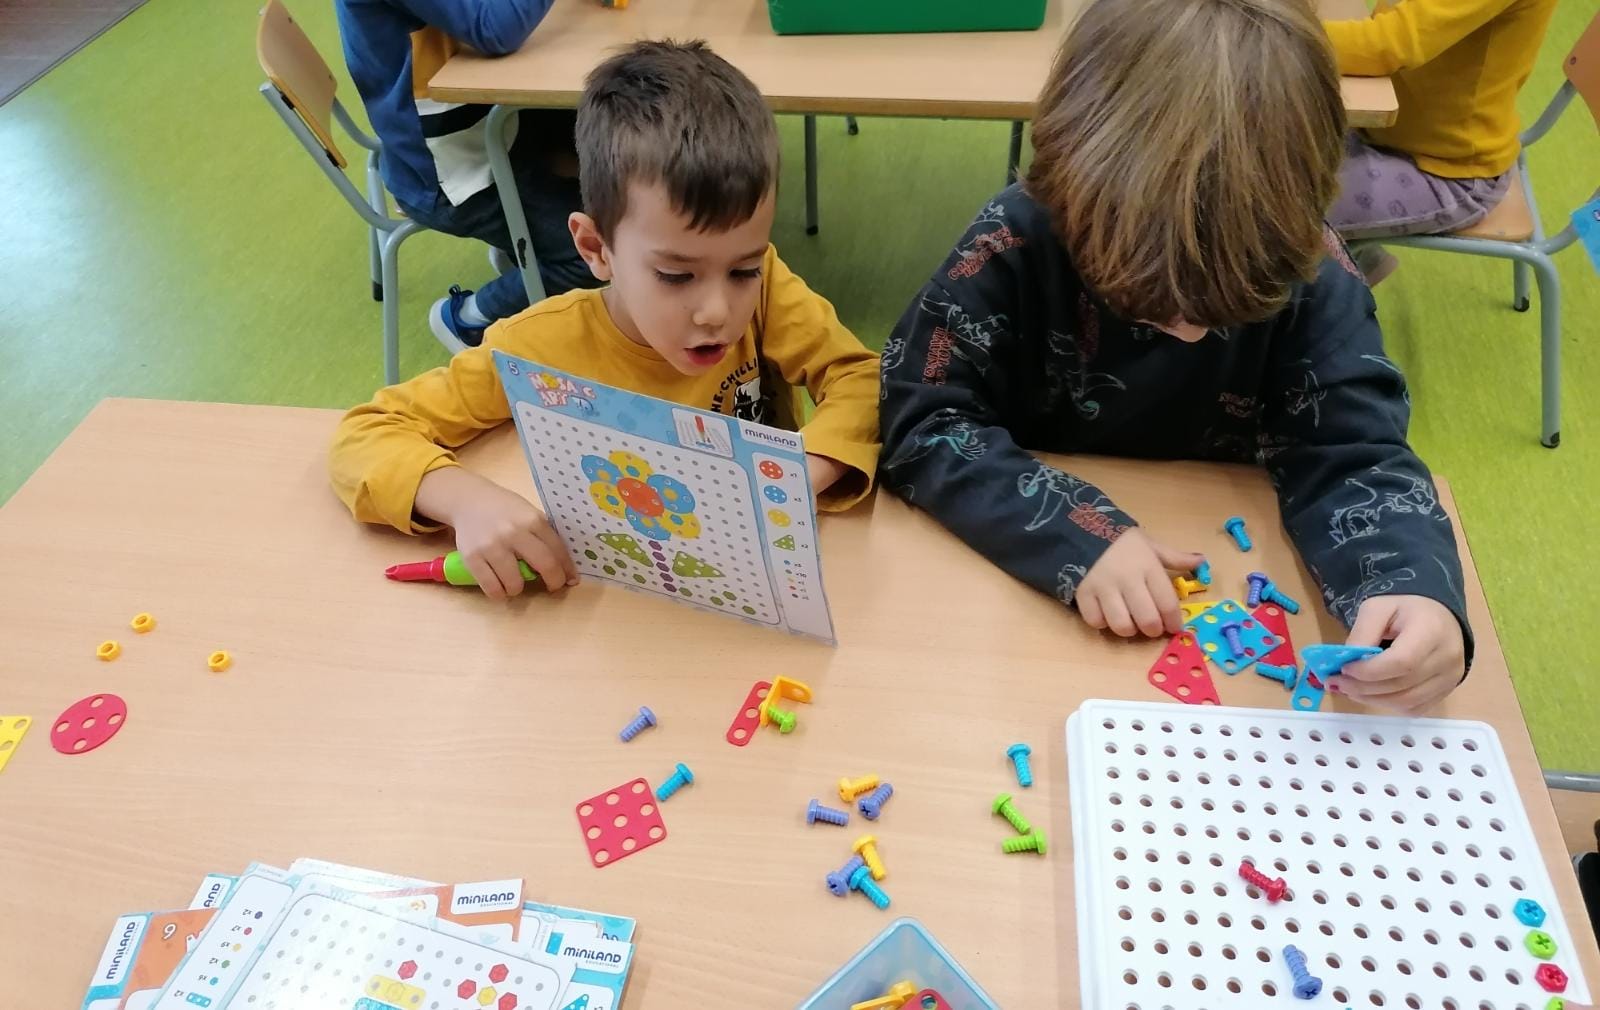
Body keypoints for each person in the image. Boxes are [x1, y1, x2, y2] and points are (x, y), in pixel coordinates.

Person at [878, 0, 1470, 714]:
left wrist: (1413, 586)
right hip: (1020, 617)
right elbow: (922, 418)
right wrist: (1077, 532)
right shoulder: (1016, 238)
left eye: (1228, 304)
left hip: (1221, 612)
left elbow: (1357, 455)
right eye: (1149, 299)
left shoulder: (1312, 272)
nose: (1188, 331)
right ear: (1074, 192)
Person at [329, 40, 881, 598]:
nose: (718, 310)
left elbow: (862, 379)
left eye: (743, 269)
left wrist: (798, 479)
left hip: (759, 581)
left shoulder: (768, 291)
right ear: (595, 248)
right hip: (617, 599)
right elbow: (366, 433)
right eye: (676, 275)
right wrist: (464, 500)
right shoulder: (537, 348)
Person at [334, 0, 602, 346]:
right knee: (598, 246)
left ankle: (522, 250)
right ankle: (469, 319)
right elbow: (493, 30)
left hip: (485, 120)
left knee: (612, 134)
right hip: (450, 168)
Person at [1322, 0, 1559, 282]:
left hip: (1451, 175)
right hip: (1389, 127)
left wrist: (1286, 35)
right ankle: (1352, 259)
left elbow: (1388, 44)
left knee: (1282, 202)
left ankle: (1339, 278)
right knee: (1281, 143)